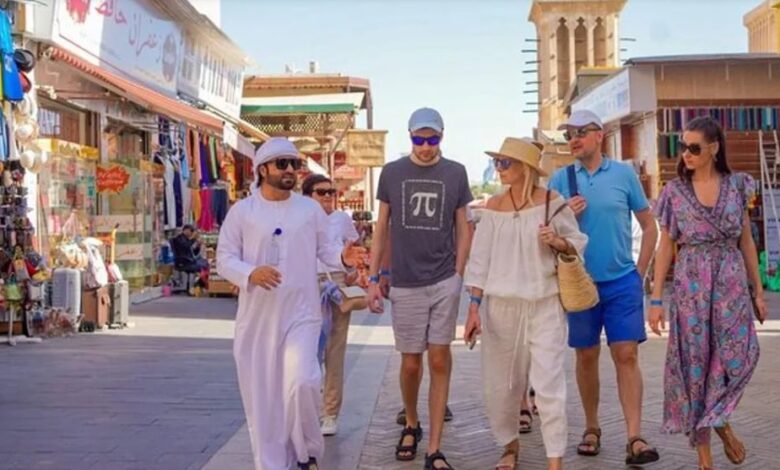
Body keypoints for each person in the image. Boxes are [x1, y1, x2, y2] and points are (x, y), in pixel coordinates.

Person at [216, 137, 363, 470]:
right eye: (282, 164)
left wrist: (344, 257)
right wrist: (250, 273)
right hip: (259, 320)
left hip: (302, 313)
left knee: (303, 382)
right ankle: (274, 463)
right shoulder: (242, 212)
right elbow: (224, 258)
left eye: (294, 164)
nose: (290, 171)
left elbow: (326, 250)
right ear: (262, 169)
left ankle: (306, 452)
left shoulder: (309, 210)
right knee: (265, 397)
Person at [648, 116, 767, 470]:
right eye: (682, 146)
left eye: (694, 147)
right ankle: (704, 457)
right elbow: (665, 248)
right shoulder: (674, 193)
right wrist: (656, 299)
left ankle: (718, 417)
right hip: (691, 288)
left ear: (714, 148)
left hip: (730, 283)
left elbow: (747, 241)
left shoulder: (738, 186)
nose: (686, 153)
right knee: (696, 365)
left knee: (740, 356)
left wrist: (758, 290)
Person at [464, 137, 586, 470]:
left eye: (505, 163)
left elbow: (576, 243)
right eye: (497, 162)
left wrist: (557, 240)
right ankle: (509, 445)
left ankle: (555, 460)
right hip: (500, 308)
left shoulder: (552, 202)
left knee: (549, 385)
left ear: (526, 168)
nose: (499, 169)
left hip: (545, 303)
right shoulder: (493, 207)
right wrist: (473, 308)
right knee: (501, 386)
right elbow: (479, 261)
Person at [548, 109, 660, 465]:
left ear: (600, 135)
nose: (574, 139)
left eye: (581, 132)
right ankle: (592, 427)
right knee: (586, 355)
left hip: (622, 281)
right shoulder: (560, 180)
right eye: (569, 134)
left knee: (626, 354)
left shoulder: (624, 174)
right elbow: (545, 235)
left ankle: (635, 437)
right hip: (580, 284)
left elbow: (650, 225)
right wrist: (565, 215)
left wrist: (639, 273)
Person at [366, 107, 472, 469]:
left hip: (443, 279)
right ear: (410, 137)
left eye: (432, 139)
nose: (426, 147)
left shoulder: (456, 172)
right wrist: (374, 277)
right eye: (419, 139)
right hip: (406, 281)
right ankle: (411, 421)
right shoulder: (392, 172)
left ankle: (435, 447)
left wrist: (458, 274)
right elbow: (382, 227)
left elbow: (463, 226)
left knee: (439, 358)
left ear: (442, 137)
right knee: (411, 363)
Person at [301, 173, 364, 437]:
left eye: (331, 192)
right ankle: (308, 410)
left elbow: (352, 247)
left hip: (335, 284)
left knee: (334, 352)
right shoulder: (299, 219)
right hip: (306, 285)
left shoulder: (341, 219)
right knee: (306, 352)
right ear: (308, 195)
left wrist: (353, 269)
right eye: (321, 192)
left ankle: (329, 412)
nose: (328, 196)